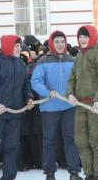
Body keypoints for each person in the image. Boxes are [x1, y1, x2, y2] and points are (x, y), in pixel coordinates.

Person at [31, 30, 83, 180]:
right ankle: (49, 172)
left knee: (71, 139)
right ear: (52, 43)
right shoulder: (43, 61)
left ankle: (74, 171)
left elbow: (78, 80)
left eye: (62, 41)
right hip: (49, 108)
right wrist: (47, 92)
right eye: (57, 42)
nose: (60, 44)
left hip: (69, 107)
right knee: (49, 140)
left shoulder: (72, 60)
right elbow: (35, 81)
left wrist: (75, 94)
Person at [66, 25, 98, 180]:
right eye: (80, 37)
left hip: (95, 105)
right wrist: (70, 93)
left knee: (97, 139)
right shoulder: (79, 56)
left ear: (92, 37)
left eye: (85, 37)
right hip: (80, 105)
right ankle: (89, 173)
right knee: (82, 141)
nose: (82, 40)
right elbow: (72, 77)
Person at [0, 35, 34, 180]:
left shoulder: (21, 65)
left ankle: (9, 177)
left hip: (14, 115)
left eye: (20, 46)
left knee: (12, 148)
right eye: (16, 46)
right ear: (8, 46)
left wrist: (28, 98)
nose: (19, 49)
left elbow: (25, 87)